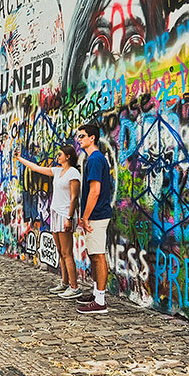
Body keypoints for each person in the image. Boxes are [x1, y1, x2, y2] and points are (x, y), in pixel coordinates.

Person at [15, 146, 81, 299]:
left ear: (68, 156)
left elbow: (74, 198)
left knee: (67, 253)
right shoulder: (58, 171)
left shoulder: (73, 173)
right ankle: (65, 283)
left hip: (66, 215)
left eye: (60, 154)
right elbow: (37, 168)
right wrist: (19, 159)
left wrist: (70, 218)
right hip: (56, 213)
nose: (58, 156)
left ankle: (75, 287)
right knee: (60, 252)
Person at [75, 123, 113, 315]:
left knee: (98, 256)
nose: (79, 139)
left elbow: (95, 191)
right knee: (94, 254)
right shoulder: (92, 159)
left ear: (92, 138)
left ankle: (100, 301)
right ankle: (97, 292)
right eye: (78, 136)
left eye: (82, 136)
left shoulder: (96, 159)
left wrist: (85, 216)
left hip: (97, 215)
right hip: (96, 214)